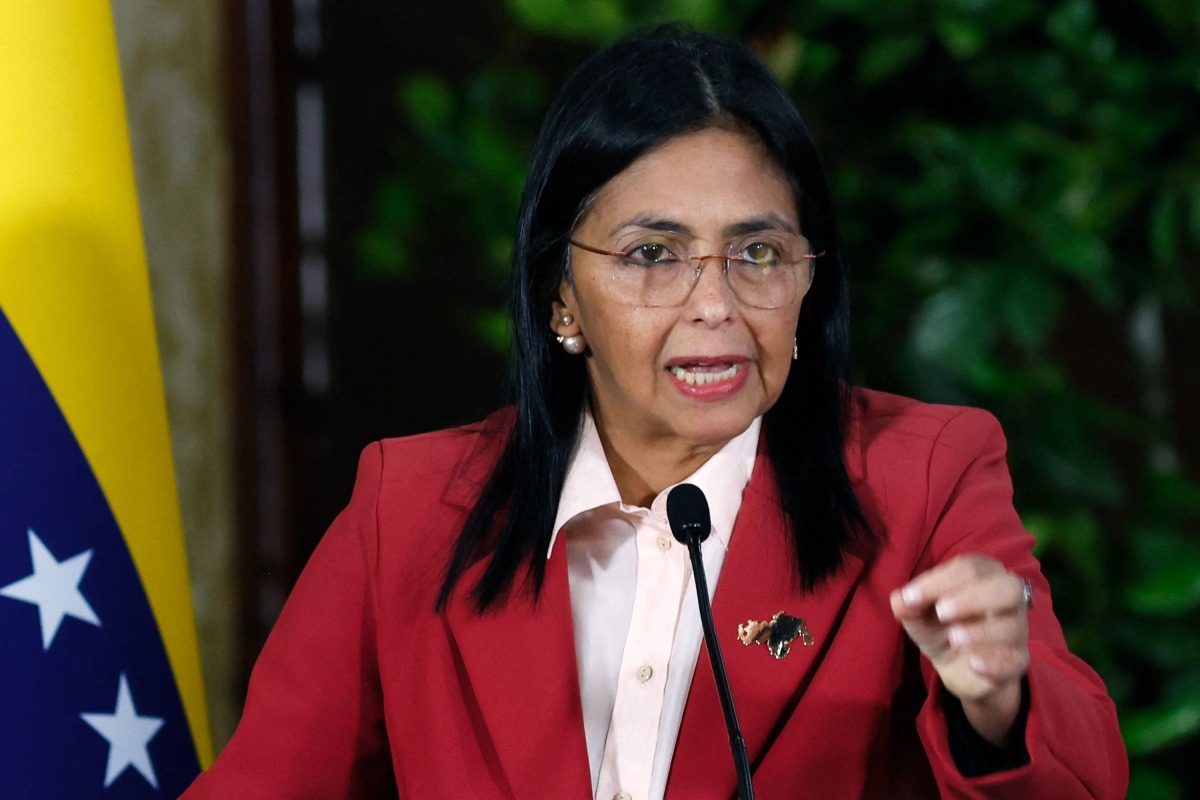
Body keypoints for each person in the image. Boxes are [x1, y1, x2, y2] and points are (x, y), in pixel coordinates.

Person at [182, 27, 1127, 799]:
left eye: (757, 253)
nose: (714, 303)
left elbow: (1084, 782)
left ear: (809, 280)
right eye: (652, 254)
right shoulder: (410, 505)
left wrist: (998, 704)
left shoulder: (924, 475)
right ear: (561, 295)